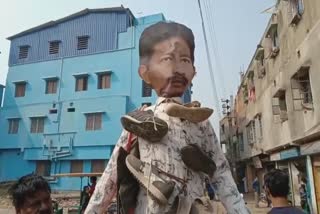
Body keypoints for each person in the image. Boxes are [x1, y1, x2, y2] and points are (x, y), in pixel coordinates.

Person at [85, 21, 249, 214]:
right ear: (145, 73)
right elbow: (110, 177)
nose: (178, 69)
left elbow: (221, 175)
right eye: (167, 60)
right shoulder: (138, 121)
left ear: (193, 72)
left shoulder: (201, 122)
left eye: (185, 60)